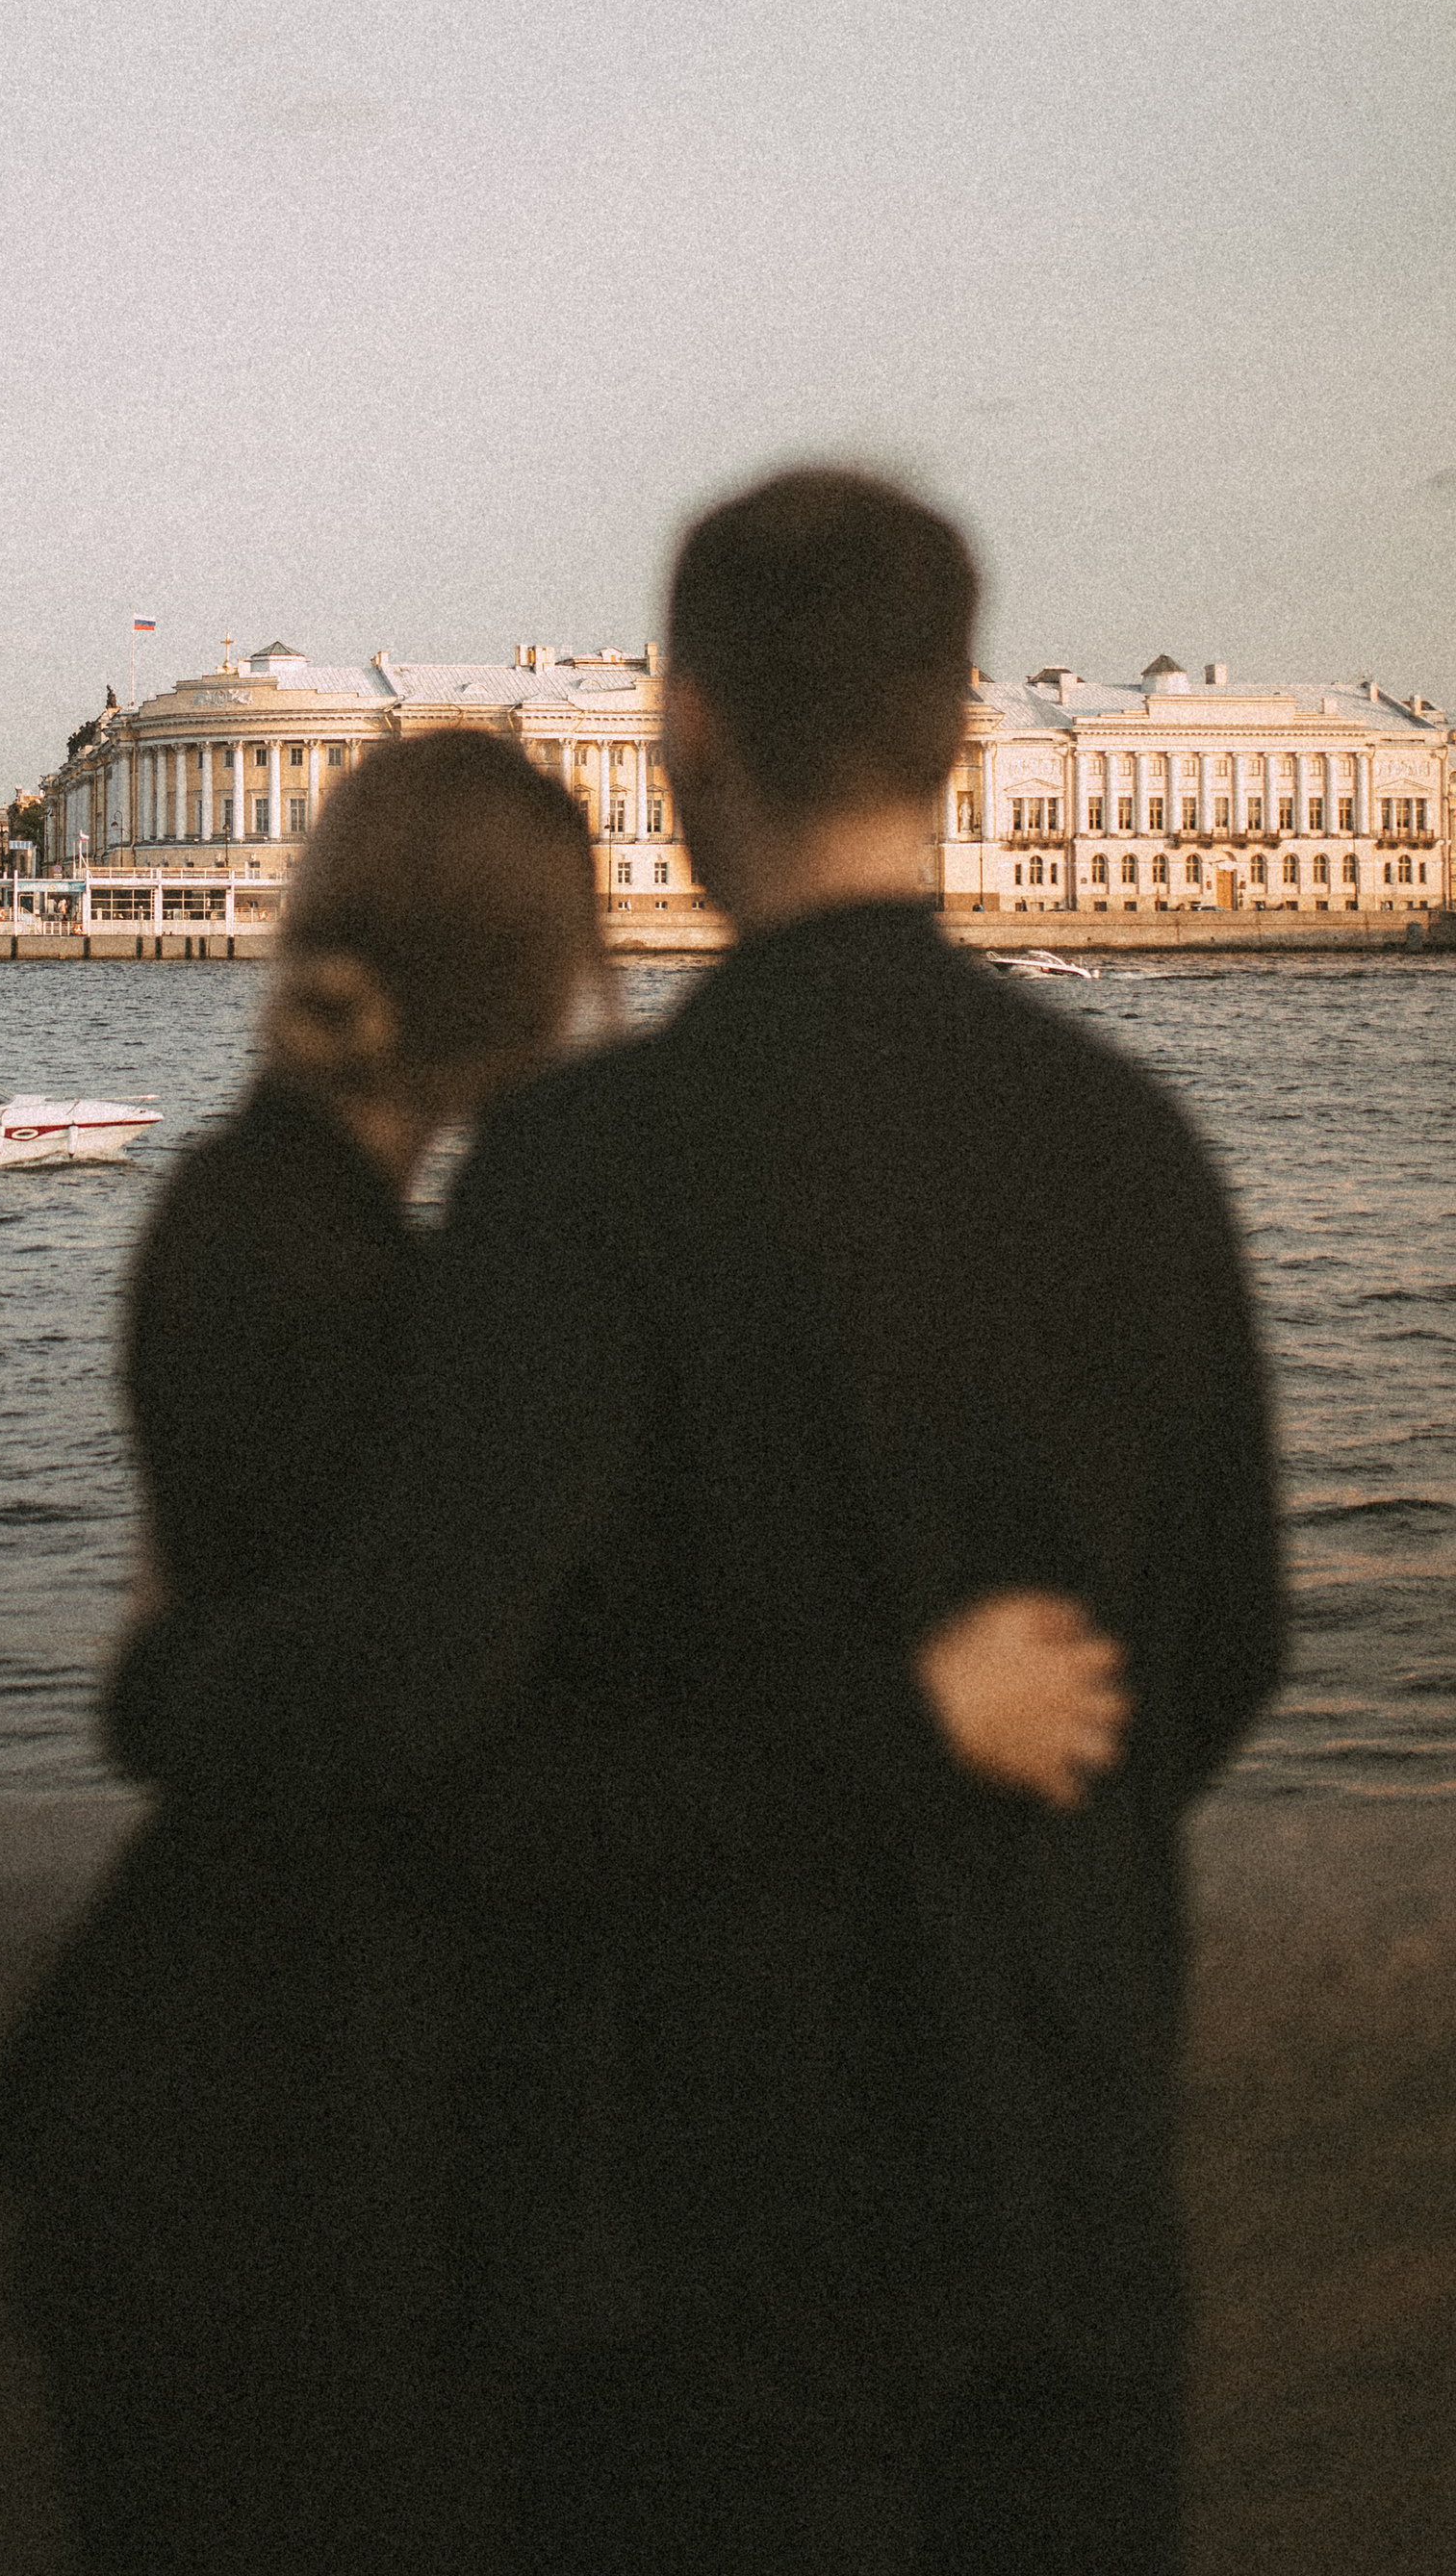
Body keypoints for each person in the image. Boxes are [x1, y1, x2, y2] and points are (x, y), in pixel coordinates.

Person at [112, 475, 1284, 2575]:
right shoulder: (1139, 1150)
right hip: (1070, 2182)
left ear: (684, 734)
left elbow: (424, 1703)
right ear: (955, 738)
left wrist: (164, 1672)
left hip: (710, 2228)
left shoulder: (587, 1166)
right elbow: (1230, 1656)